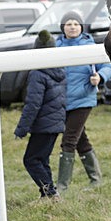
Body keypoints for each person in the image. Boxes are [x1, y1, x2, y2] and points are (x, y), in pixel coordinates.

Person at [56, 11, 111, 194]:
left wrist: (100, 77)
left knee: (69, 141)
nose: (72, 27)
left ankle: (62, 188)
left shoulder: (90, 46)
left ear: (81, 27)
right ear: (62, 28)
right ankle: (96, 179)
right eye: (68, 24)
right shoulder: (55, 47)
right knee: (81, 140)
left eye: (76, 23)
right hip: (62, 101)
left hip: (83, 100)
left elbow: (107, 66)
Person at [14, 61, 66, 200]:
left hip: (44, 125)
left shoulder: (37, 73)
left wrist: (21, 129)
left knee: (31, 160)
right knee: (42, 160)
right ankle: (47, 195)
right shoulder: (58, 70)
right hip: (55, 123)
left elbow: (33, 104)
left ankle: (50, 193)